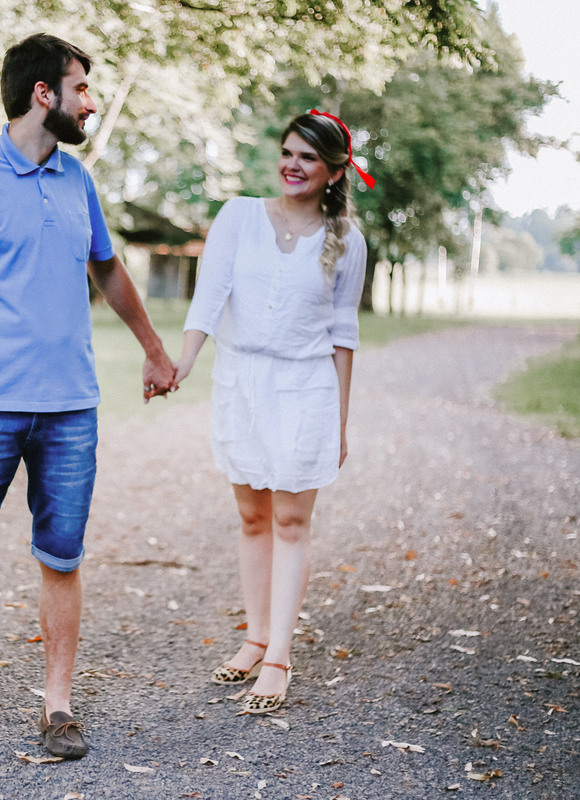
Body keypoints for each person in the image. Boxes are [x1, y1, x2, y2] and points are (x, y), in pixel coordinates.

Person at [0, 33, 178, 767]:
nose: (90, 101)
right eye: (81, 87)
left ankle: (58, 707)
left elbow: (110, 273)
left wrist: (153, 348)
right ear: (43, 94)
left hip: (70, 410)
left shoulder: (77, 180)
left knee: (62, 556)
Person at [174, 111, 372, 714]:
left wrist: (338, 421)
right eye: (288, 152)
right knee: (251, 517)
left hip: (305, 388)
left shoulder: (348, 242)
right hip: (242, 380)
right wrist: (180, 365)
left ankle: (280, 656)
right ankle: (255, 636)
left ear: (335, 171)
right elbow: (209, 297)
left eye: (308, 157)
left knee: (290, 521)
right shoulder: (237, 217)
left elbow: (343, 334)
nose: (292, 164)